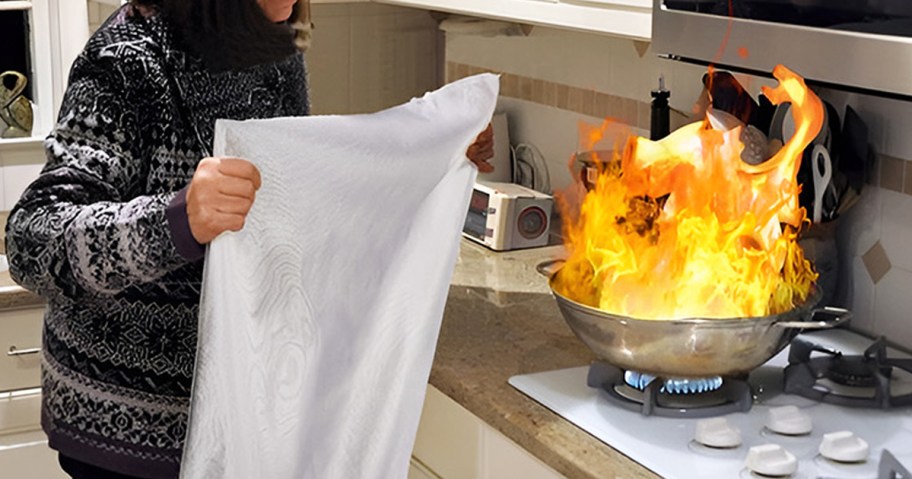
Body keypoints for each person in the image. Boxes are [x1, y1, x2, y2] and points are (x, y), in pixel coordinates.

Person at [3, 1, 495, 478]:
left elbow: (294, 194)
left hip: (242, 410)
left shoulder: (275, 53)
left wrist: (435, 156)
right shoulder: (125, 61)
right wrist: (178, 220)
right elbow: (32, 238)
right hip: (123, 428)